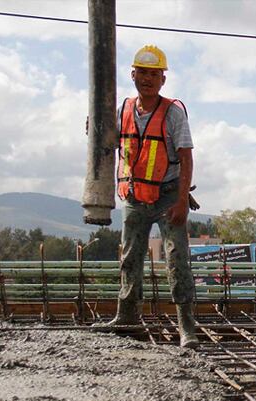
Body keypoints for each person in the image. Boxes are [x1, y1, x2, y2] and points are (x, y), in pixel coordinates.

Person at [95, 45, 198, 349]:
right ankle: (127, 317)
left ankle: (186, 326)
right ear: (133, 75)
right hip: (136, 196)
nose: (148, 79)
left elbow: (186, 158)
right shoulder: (124, 109)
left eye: (154, 74)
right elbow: (109, 141)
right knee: (130, 257)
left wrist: (181, 200)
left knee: (177, 258)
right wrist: (96, 129)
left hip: (168, 195)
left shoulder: (173, 113)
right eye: (143, 73)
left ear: (163, 80)